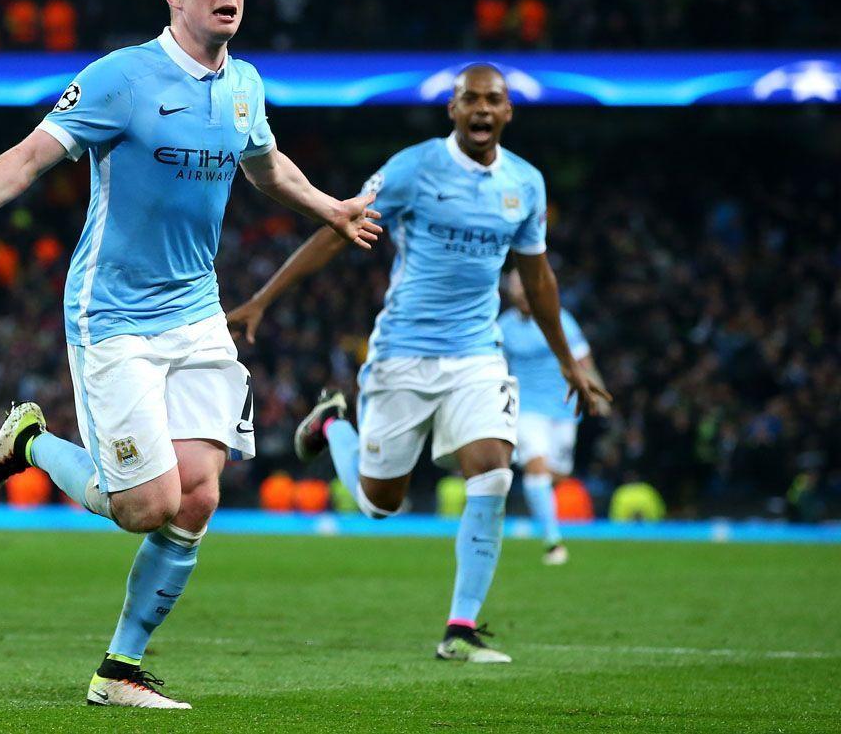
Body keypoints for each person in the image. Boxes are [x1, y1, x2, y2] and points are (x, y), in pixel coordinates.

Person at [0, 0, 380, 709]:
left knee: (201, 493)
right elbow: (31, 155)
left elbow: (266, 164)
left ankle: (119, 670)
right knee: (147, 504)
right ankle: (32, 442)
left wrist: (332, 209)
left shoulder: (244, 85)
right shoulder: (122, 78)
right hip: (112, 312)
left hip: (195, 311)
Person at [227, 64, 610, 664]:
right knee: (380, 503)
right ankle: (333, 424)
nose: (482, 110)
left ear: (508, 113)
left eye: (493, 101)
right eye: (470, 100)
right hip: (402, 353)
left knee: (494, 473)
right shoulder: (412, 168)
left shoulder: (526, 185)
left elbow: (537, 279)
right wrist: (262, 300)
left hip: (477, 356)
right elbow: (339, 226)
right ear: (452, 110)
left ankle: (460, 629)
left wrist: (569, 363)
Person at [499, 269, 609, 565]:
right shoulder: (504, 327)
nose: (521, 294)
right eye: (516, 289)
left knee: (556, 473)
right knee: (537, 467)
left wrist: (596, 393)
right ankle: (552, 541)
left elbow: (583, 359)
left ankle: (547, 520)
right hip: (526, 409)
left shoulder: (558, 318)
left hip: (562, 409)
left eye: (525, 288)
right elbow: (495, 367)